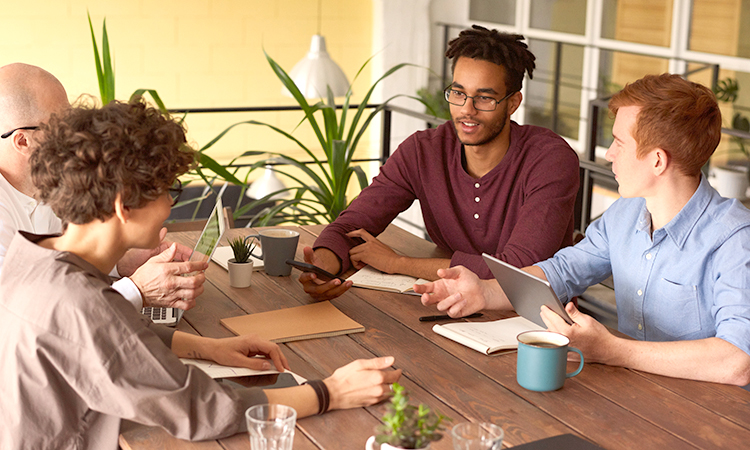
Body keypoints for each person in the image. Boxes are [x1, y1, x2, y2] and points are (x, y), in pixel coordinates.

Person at [0, 99, 401, 449]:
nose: (170, 206)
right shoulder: (80, 303)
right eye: (167, 190)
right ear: (124, 205)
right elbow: (202, 411)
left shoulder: (32, 253)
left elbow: (107, 338)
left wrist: (205, 347)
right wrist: (329, 391)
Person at [416, 73, 750, 386]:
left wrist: (613, 350)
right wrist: (484, 291)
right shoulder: (625, 213)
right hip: (636, 395)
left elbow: (737, 361)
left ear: (658, 161)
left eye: (619, 142)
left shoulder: (735, 238)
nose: (609, 154)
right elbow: (562, 271)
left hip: (715, 419)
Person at [300, 25, 580, 301]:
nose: (466, 110)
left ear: (513, 103)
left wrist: (398, 263)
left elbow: (517, 270)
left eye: (484, 98)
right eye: (458, 93)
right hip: (450, 306)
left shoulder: (550, 159)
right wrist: (321, 270)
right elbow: (352, 225)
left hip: (536, 321)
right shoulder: (424, 151)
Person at [0, 62, 203, 310]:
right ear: (22, 140)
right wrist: (136, 289)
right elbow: (29, 313)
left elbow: (65, 272)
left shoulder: (55, 182)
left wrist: (122, 262)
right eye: (61, 127)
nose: (74, 134)